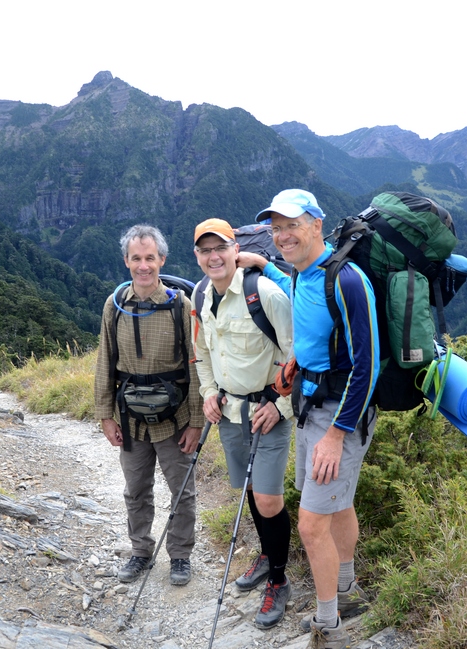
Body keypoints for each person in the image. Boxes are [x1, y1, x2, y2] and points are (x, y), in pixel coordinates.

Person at [238, 190, 378, 649]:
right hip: (310, 405)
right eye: (275, 228)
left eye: (291, 225)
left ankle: (330, 626)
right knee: (337, 504)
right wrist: (260, 264)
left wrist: (337, 435)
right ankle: (348, 590)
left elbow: (368, 365)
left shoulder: (348, 280)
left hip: (339, 417)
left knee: (311, 525)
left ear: (317, 224)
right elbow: (294, 282)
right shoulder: (299, 274)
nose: (282, 235)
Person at [190, 218, 295, 629]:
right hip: (230, 412)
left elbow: (296, 355)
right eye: (204, 250)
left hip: (268, 411)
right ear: (197, 256)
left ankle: (279, 580)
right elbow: (202, 351)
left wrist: (280, 407)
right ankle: (269, 553)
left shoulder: (263, 293)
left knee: (268, 498)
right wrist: (208, 392)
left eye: (221, 248)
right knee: (250, 488)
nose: (213, 257)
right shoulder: (201, 296)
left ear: (236, 249)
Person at [93, 224, 204, 587]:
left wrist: (196, 422)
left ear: (162, 260)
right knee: (135, 489)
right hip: (130, 420)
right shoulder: (116, 304)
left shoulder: (180, 306)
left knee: (181, 489)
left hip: (176, 419)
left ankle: (180, 556)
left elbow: (196, 364)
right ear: (126, 261)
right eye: (137, 258)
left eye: (150, 258)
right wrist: (105, 415)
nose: (144, 266)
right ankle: (140, 551)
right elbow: (105, 361)